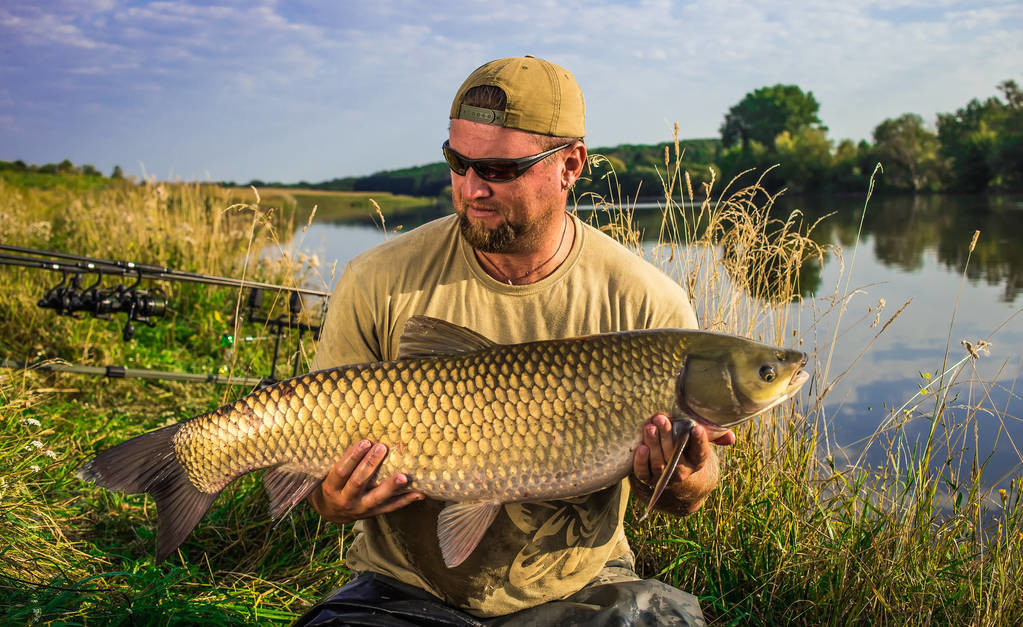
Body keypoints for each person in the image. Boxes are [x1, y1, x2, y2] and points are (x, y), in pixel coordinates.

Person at [296, 56, 735, 626]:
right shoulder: (376, 281)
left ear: (571, 164)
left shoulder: (647, 305)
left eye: (500, 169)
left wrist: (683, 478)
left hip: (579, 586)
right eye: (458, 161)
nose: (471, 188)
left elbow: (690, 496)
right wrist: (330, 500)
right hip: (403, 585)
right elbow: (314, 479)